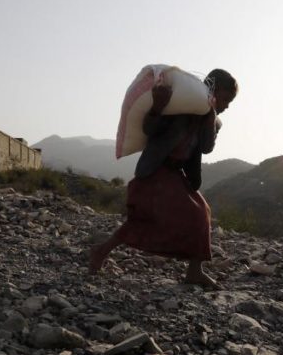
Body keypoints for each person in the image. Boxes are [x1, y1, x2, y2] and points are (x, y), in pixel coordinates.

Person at [89, 69, 238, 288]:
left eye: (229, 102)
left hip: (175, 174)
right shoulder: (180, 107)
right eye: (225, 99)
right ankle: (101, 251)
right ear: (213, 91)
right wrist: (158, 107)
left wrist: (210, 118)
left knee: (199, 211)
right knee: (180, 215)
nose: (226, 105)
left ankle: (102, 250)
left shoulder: (210, 119)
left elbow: (206, 148)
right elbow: (150, 129)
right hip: (156, 171)